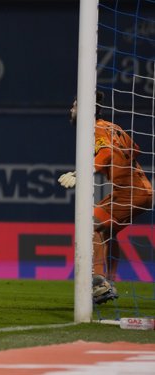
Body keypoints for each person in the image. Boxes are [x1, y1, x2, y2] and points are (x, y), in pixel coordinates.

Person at [58, 91, 153, 304]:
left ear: (85, 110)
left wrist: (81, 172)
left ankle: (99, 283)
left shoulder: (95, 129)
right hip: (140, 189)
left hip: (130, 192)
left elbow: (107, 153)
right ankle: (109, 281)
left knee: (91, 225)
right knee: (107, 231)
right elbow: (134, 149)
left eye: (74, 106)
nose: (71, 110)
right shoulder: (113, 127)